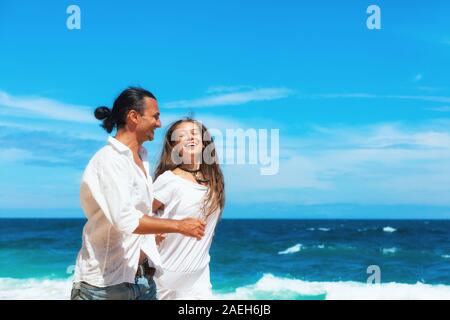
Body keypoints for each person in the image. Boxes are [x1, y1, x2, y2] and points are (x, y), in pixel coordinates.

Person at [71, 88, 206, 300]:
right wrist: (179, 226)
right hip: (104, 288)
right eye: (155, 116)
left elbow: (138, 216)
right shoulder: (110, 160)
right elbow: (126, 220)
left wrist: (153, 235)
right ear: (133, 117)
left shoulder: (141, 158)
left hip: (143, 282)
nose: (159, 124)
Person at [152, 118, 225, 299]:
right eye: (182, 136)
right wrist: (153, 234)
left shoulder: (213, 182)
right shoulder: (169, 180)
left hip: (198, 278)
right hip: (165, 278)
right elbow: (138, 217)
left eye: (194, 133)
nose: (190, 138)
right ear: (174, 147)